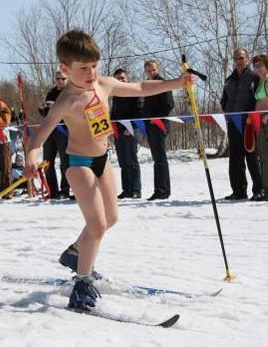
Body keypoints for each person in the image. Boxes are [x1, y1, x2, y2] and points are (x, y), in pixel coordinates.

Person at [24, 29, 194, 310]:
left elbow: (140, 88)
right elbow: (38, 138)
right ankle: (82, 284)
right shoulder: (66, 100)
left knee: (111, 218)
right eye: (83, 68)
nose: (91, 73)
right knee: (98, 225)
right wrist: (32, 156)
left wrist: (176, 82)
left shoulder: (103, 85)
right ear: (65, 69)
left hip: (103, 160)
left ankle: (75, 253)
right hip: (79, 165)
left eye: (94, 66)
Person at [221, 48, 262, 201]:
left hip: (249, 122)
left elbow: (258, 98)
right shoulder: (229, 80)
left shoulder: (254, 77)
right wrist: (225, 110)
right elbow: (224, 99)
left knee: (251, 156)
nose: (239, 61)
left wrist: (252, 115)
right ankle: (238, 190)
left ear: (247, 59)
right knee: (235, 158)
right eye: (236, 58)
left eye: (242, 58)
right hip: (233, 122)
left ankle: (258, 190)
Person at [143, 59, 174, 201]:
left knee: (160, 158)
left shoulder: (163, 83)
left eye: (153, 70)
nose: (151, 72)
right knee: (156, 158)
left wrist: (156, 118)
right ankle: (160, 189)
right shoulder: (146, 85)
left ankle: (162, 190)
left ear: (158, 69)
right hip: (149, 125)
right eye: (149, 70)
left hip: (159, 124)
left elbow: (169, 104)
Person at [38, 70, 71, 199]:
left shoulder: (70, 93)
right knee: (47, 161)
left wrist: (56, 105)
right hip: (50, 129)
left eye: (63, 79)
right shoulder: (51, 93)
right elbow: (47, 113)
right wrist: (42, 109)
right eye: (58, 79)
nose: (60, 81)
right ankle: (52, 189)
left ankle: (65, 189)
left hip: (64, 129)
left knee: (65, 161)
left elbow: (73, 110)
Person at [110, 68, 143, 199]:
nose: (121, 81)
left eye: (122, 78)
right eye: (118, 79)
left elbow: (139, 112)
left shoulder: (133, 92)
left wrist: (132, 128)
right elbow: (113, 113)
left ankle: (136, 189)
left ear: (127, 78)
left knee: (131, 161)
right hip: (117, 130)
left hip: (130, 130)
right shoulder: (115, 95)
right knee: (123, 161)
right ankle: (126, 189)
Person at [252, 54, 268, 200]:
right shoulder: (259, 81)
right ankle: (265, 188)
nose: (257, 68)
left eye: (260, 65)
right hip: (259, 122)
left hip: (266, 120)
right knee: (262, 156)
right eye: (255, 66)